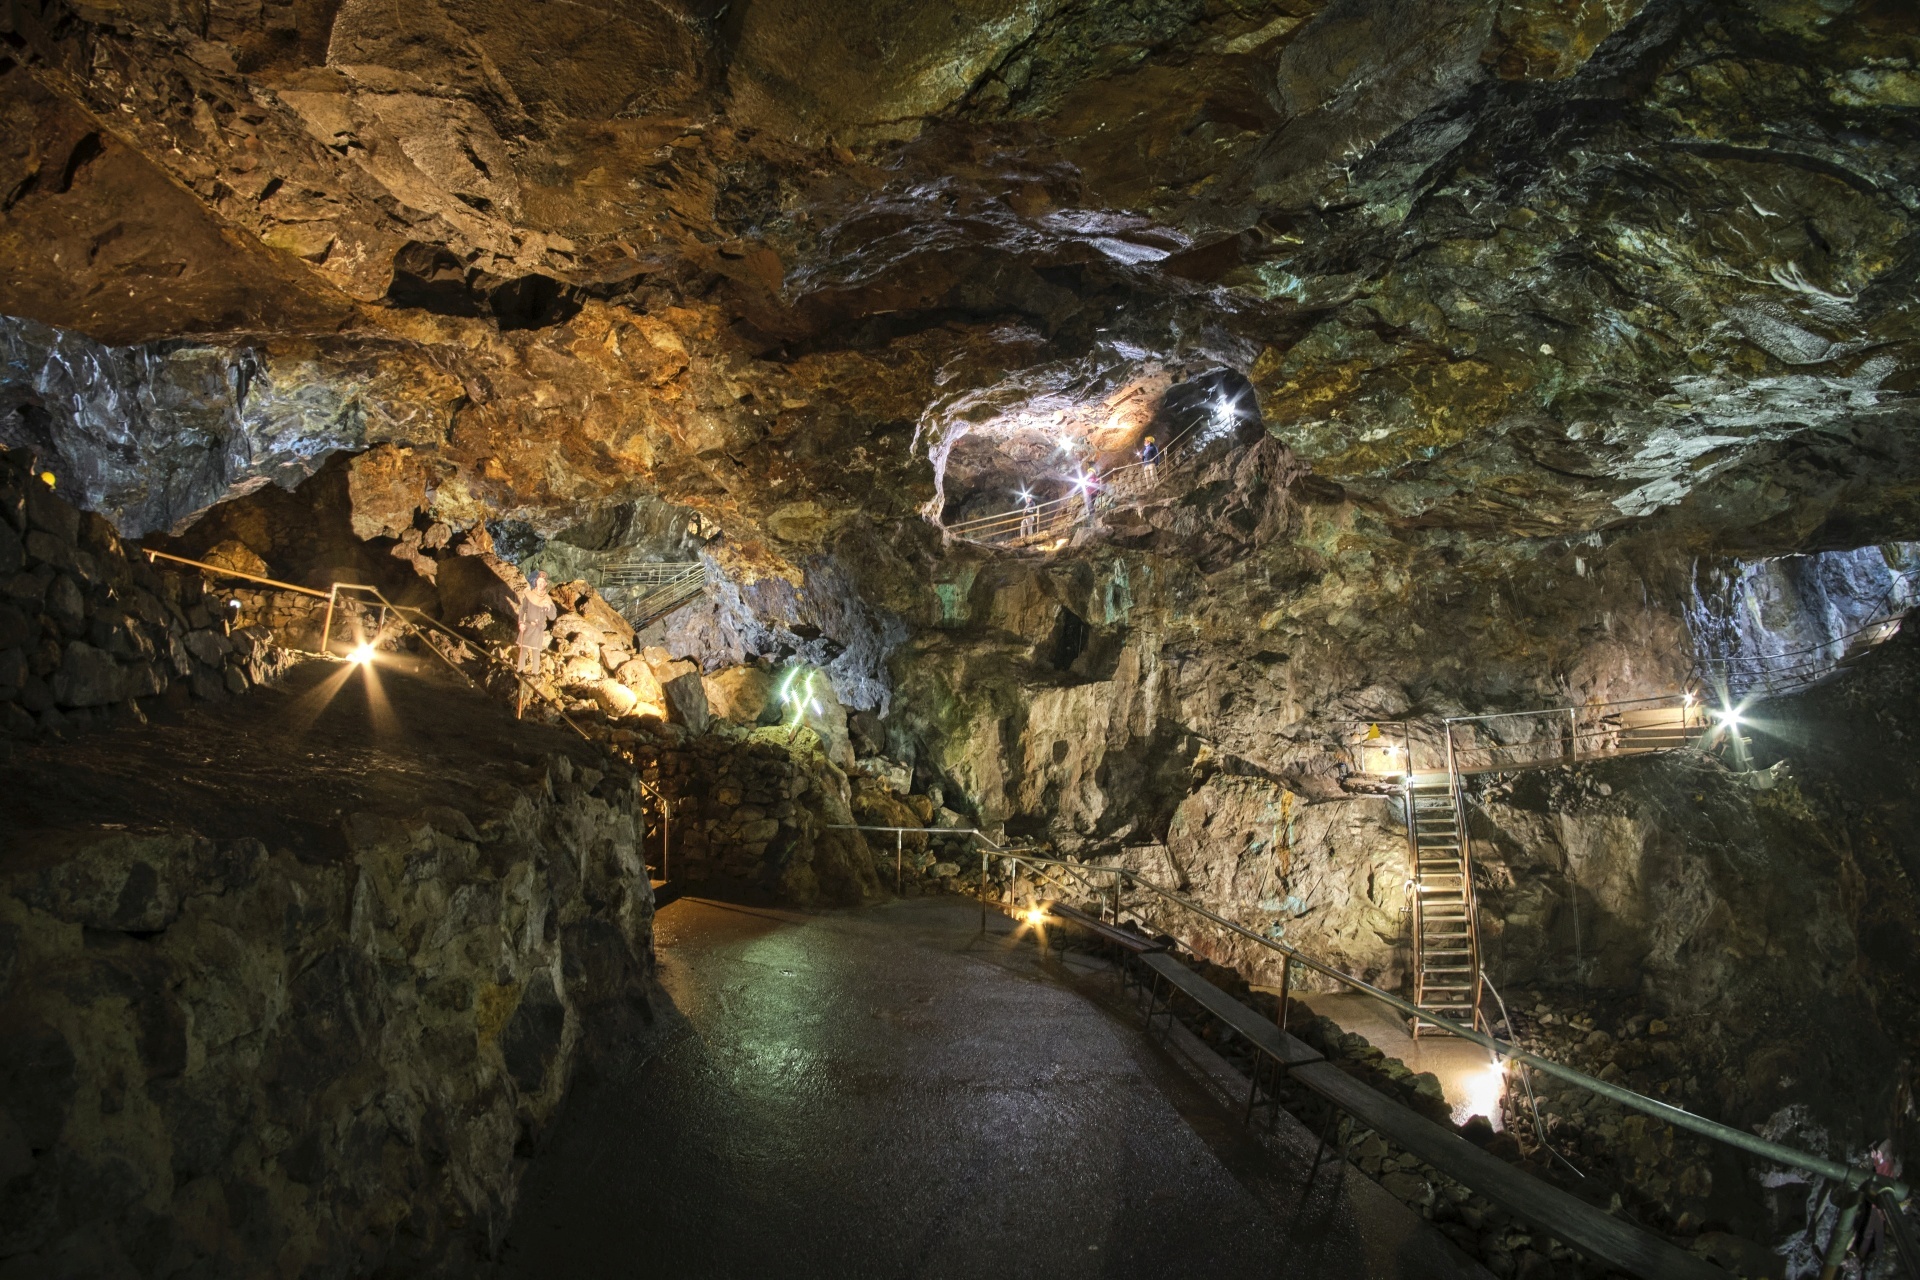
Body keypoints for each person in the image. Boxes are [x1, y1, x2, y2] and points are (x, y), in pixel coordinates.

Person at [514, 570, 557, 715]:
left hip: (538, 629)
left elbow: (552, 616)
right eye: (539, 582)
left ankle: (534, 673)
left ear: (545, 584)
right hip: (527, 627)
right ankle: (520, 670)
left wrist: (548, 607)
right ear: (535, 583)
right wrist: (520, 622)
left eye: (543, 583)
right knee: (524, 649)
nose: (541, 584)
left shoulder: (547, 599)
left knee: (536, 652)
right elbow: (522, 610)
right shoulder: (529, 596)